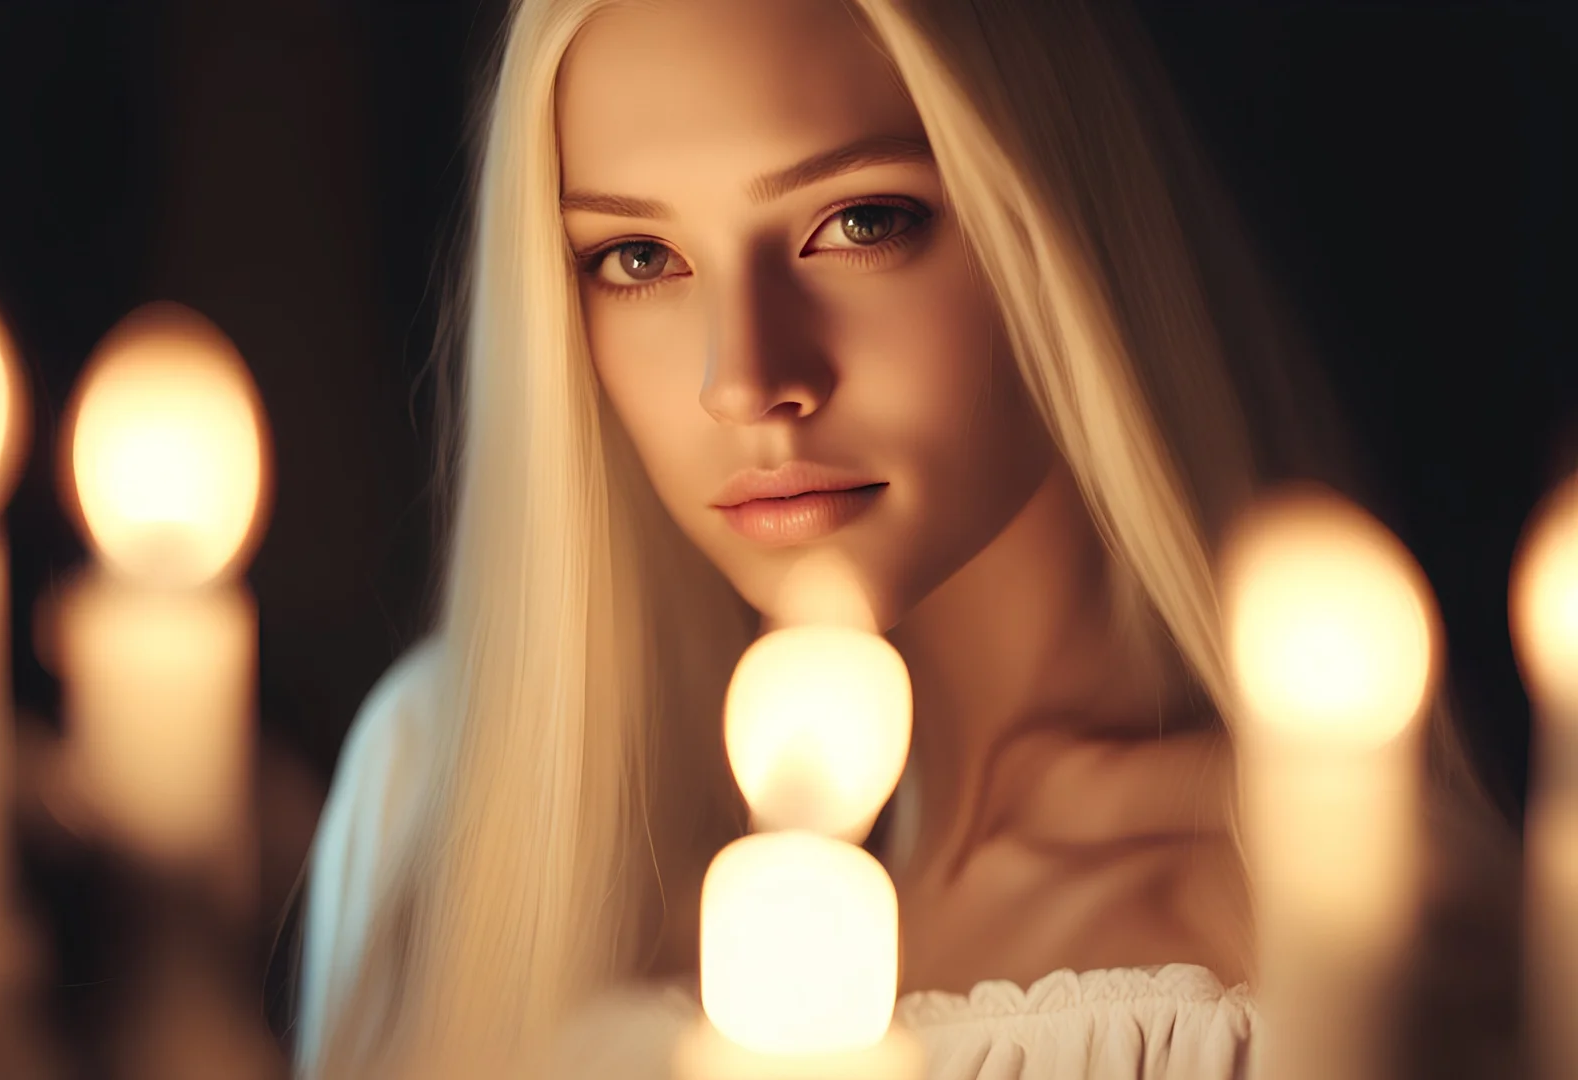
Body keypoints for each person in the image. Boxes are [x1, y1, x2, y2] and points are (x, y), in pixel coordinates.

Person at [286, 1, 1519, 1077]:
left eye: (861, 222)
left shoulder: (1311, 924)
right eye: (639, 255)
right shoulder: (455, 804)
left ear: (1053, 217)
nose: (747, 379)